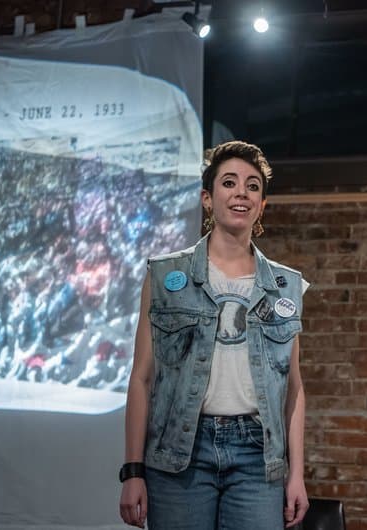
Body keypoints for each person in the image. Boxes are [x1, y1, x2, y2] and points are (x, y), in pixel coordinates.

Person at [119, 141, 309, 529]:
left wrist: (297, 475)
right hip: (180, 454)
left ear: (261, 205)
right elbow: (141, 378)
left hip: (257, 458)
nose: (241, 192)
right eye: (229, 182)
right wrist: (133, 470)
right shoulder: (165, 276)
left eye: (253, 186)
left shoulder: (285, 286)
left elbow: (294, 388)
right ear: (207, 199)